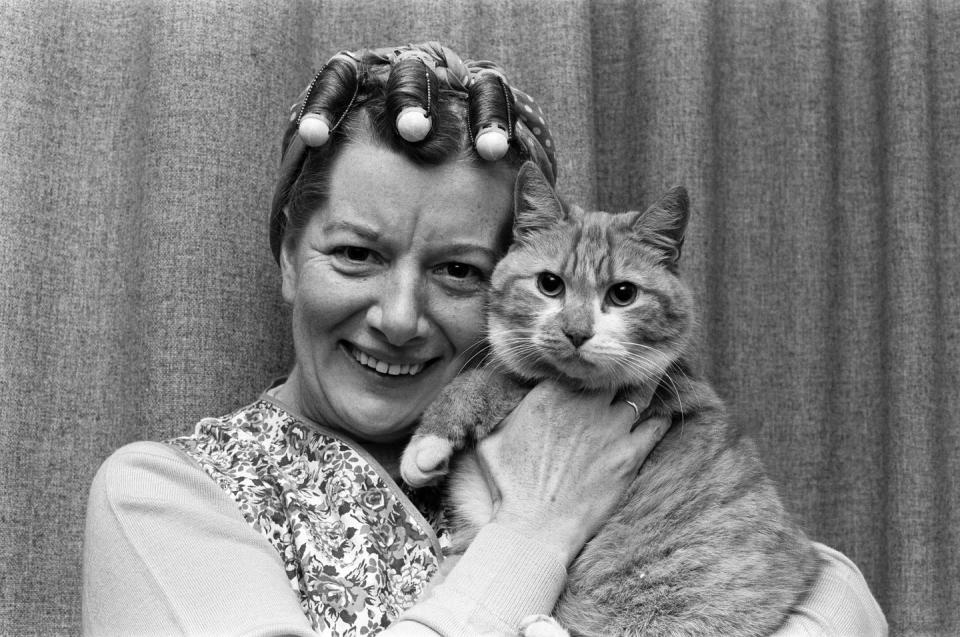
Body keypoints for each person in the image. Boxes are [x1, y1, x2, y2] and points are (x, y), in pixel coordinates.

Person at [81, 42, 887, 636]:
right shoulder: (159, 495)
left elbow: (836, 590)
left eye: (458, 271)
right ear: (289, 259)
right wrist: (539, 526)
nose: (399, 315)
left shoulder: (590, 425)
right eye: (356, 253)